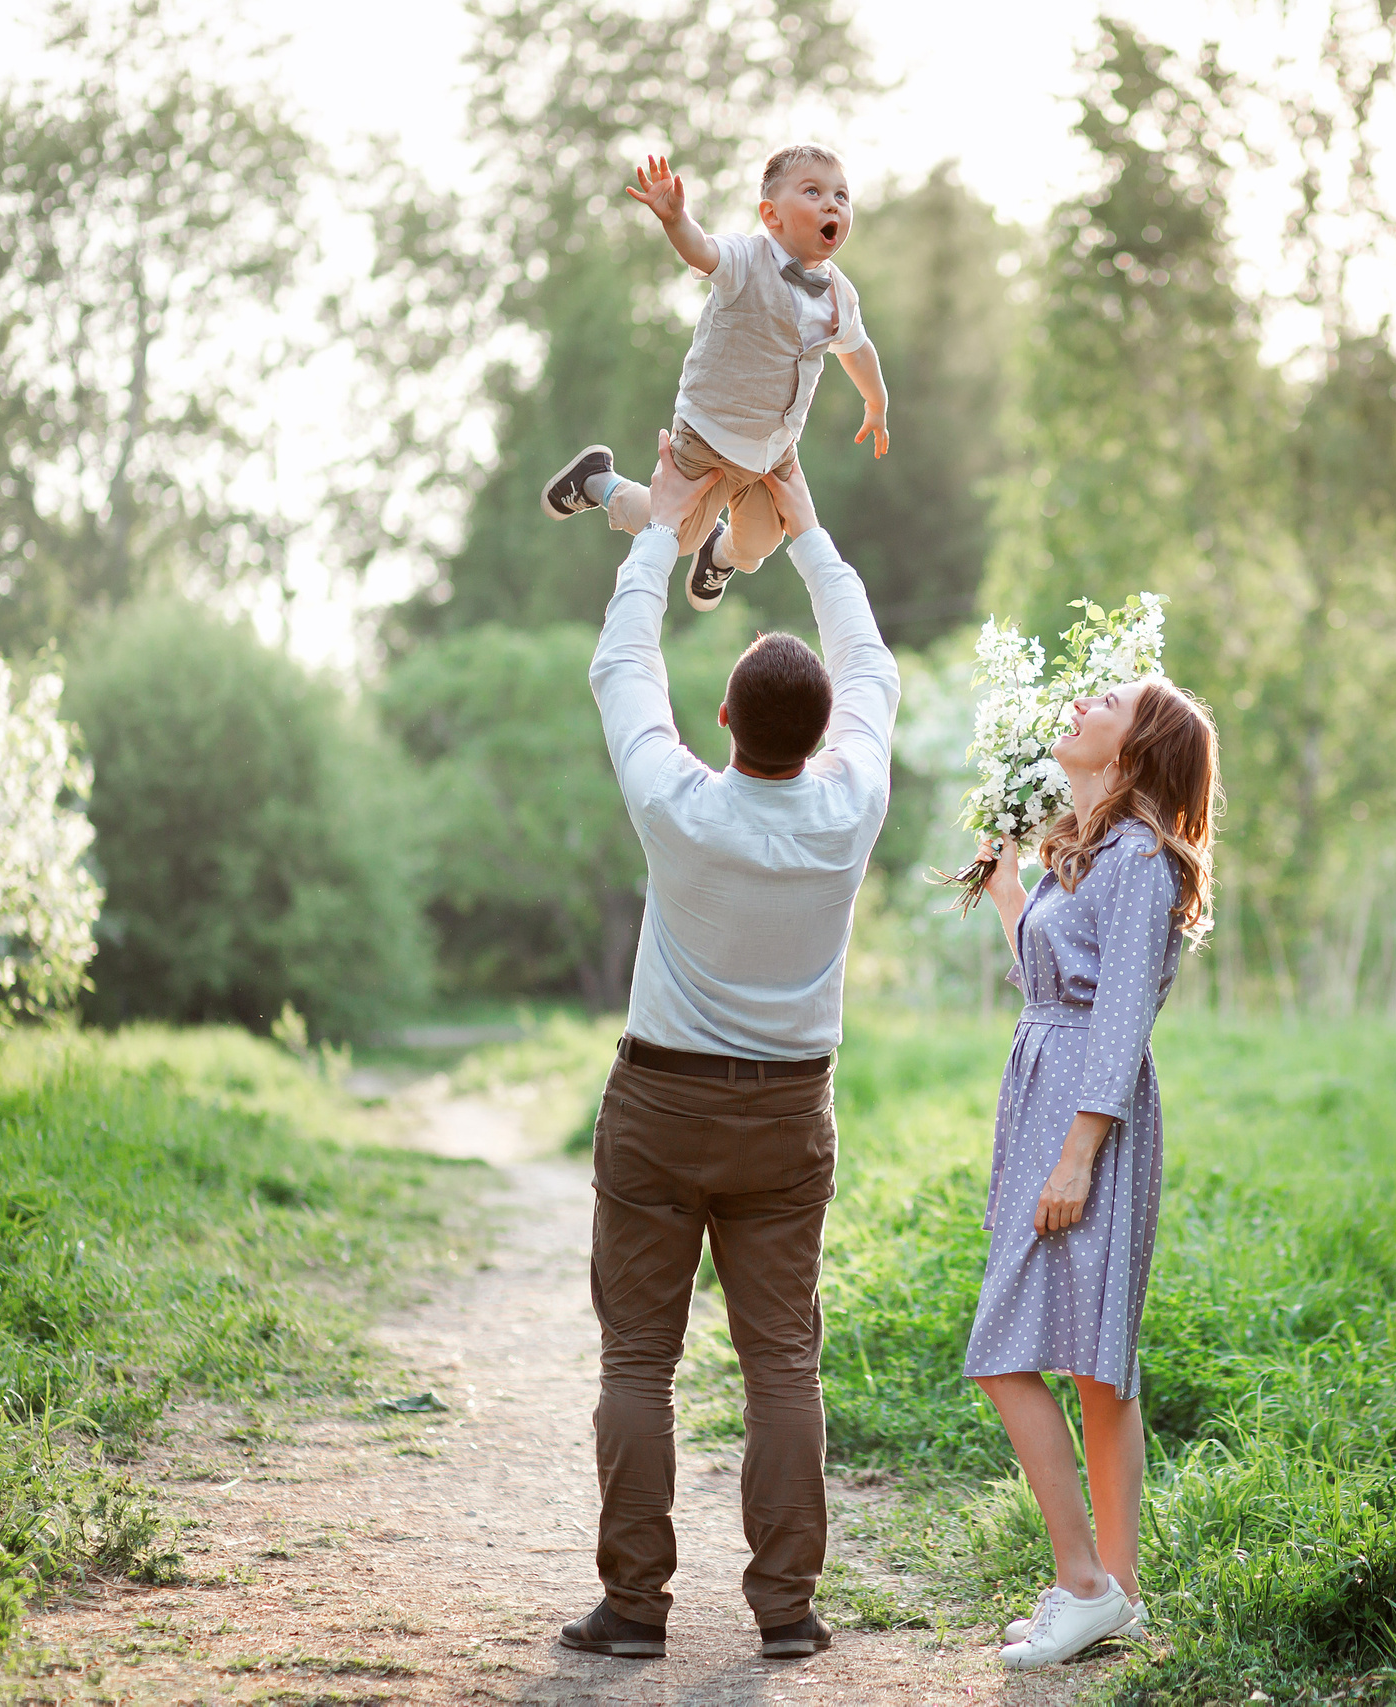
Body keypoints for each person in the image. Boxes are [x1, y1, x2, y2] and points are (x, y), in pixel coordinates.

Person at [555, 429, 899, 1664]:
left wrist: (662, 525)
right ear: (822, 732)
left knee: (639, 1362)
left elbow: (620, 661)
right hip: (787, 1118)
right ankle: (786, 1612)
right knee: (782, 1367)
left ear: (721, 720)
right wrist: (803, 524)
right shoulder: (850, 809)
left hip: (659, 1109)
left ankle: (634, 1610)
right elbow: (870, 662)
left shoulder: (679, 805)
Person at [964, 677, 1221, 1671]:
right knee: (1092, 1366)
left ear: (1136, 745)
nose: (1080, 702)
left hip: (1085, 1114)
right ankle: (1121, 1594)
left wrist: (1077, 1157)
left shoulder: (1142, 861)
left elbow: (1117, 1019)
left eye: (1106, 699)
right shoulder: (1095, 852)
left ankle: (1083, 1586)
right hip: (1051, 1094)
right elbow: (1058, 985)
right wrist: (1009, 898)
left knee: (1014, 1352)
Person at [538, 143, 892, 614]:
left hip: (773, 449)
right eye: (813, 192)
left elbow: (858, 349)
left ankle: (719, 554)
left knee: (760, 545)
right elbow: (703, 250)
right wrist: (675, 220)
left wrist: (876, 403)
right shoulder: (746, 259)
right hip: (709, 433)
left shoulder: (839, 296)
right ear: (771, 215)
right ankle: (599, 482)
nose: (832, 205)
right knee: (675, 534)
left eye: (841, 196)